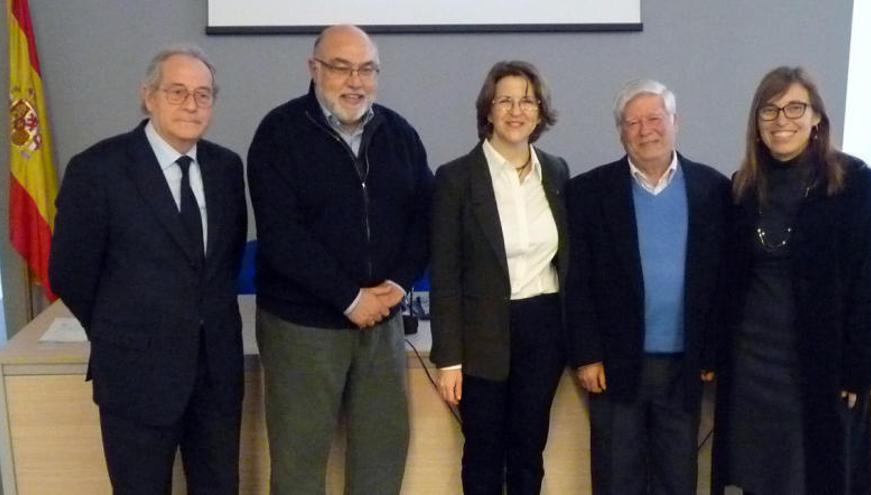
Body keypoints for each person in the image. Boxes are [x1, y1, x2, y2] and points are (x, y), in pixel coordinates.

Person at [49, 45, 247, 494]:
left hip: (216, 373)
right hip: (135, 374)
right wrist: (124, 331)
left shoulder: (226, 168)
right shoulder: (98, 169)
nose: (191, 105)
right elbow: (70, 273)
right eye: (177, 92)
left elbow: (223, 263)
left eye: (203, 94)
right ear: (148, 97)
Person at [247, 24, 433, 494]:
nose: (356, 81)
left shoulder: (399, 133)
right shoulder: (279, 133)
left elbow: (424, 218)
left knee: (381, 458)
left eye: (367, 69)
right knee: (299, 465)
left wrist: (397, 284)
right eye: (341, 67)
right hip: (303, 329)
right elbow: (281, 235)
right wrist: (349, 298)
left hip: (382, 325)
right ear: (314, 69)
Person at [711, 66, 871, 495]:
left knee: (813, 476)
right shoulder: (743, 187)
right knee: (754, 476)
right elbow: (726, 283)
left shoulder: (856, 184)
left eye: (794, 108)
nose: (781, 120)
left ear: (817, 118)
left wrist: (861, 369)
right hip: (751, 364)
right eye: (769, 109)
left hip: (820, 365)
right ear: (757, 122)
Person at [565, 79, 729, 494]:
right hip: (615, 365)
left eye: (654, 118)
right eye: (632, 122)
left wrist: (712, 350)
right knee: (617, 478)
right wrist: (586, 354)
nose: (645, 130)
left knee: (677, 478)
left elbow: (721, 279)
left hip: (684, 366)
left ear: (675, 122)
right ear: (621, 132)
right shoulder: (588, 192)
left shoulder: (714, 189)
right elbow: (576, 279)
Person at [430, 60, 569, 494]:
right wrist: (448, 359)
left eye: (527, 100)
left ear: (540, 111)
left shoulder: (557, 171)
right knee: (483, 454)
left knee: (529, 452)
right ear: (487, 110)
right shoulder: (456, 178)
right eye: (504, 100)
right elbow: (446, 273)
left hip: (544, 328)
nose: (516, 110)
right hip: (482, 334)